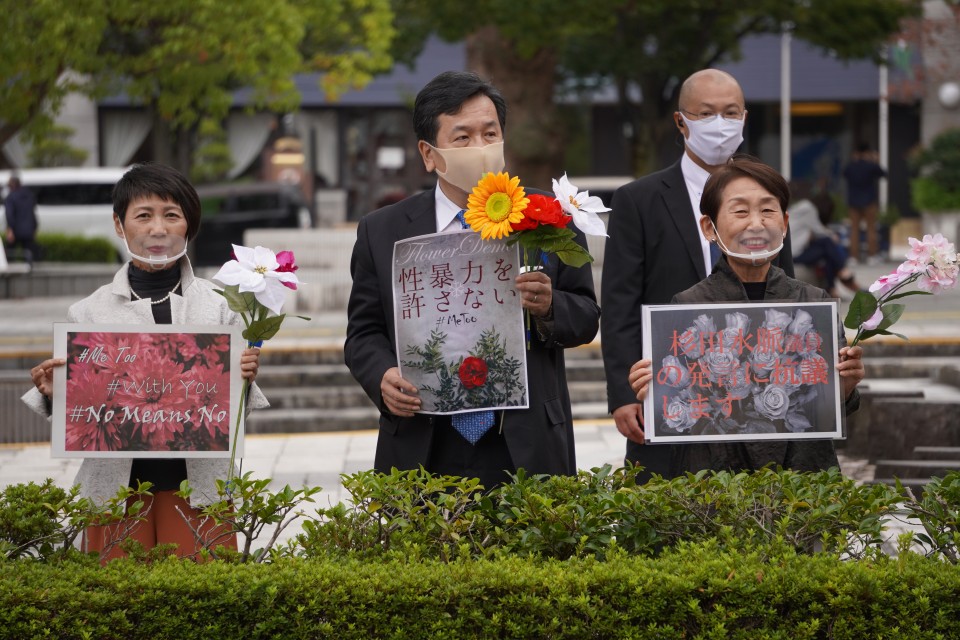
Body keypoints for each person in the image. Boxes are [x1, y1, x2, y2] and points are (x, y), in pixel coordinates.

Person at [345, 71, 600, 489]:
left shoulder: (547, 215)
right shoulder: (383, 230)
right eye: (462, 138)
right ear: (429, 153)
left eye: (490, 134)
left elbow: (587, 317)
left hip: (525, 439)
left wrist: (550, 306)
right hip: (423, 438)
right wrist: (382, 375)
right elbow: (363, 333)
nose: (479, 148)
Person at [21, 163, 268, 561]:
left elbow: (231, 410)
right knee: (120, 608)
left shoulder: (222, 307)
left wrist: (243, 377)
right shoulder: (86, 313)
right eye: (143, 216)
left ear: (189, 225)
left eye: (172, 215)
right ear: (120, 226)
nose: (158, 229)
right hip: (116, 491)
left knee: (204, 606)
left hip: (199, 487)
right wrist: (55, 393)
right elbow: (82, 409)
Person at [600, 69, 795, 481]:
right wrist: (622, 393)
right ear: (681, 121)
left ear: (744, 119)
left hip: (758, 395)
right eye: (706, 113)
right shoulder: (638, 201)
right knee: (667, 515)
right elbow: (619, 306)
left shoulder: (768, 197)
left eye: (730, 113)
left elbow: (788, 296)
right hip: (666, 391)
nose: (720, 124)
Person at [628, 157, 864, 475]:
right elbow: (679, 410)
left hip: (803, 483)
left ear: (784, 222)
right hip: (712, 484)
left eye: (768, 210)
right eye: (740, 211)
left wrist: (845, 386)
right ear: (709, 227)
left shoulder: (813, 303)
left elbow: (828, 407)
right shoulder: (686, 307)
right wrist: (654, 391)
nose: (756, 224)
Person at [788, 182, 864, 298]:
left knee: (827, 253)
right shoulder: (808, 208)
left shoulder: (802, 207)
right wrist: (833, 235)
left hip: (794, 251)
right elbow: (819, 230)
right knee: (827, 242)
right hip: (794, 255)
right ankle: (843, 272)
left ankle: (832, 288)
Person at [843, 142, 887, 265]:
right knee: (871, 229)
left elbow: (844, 174)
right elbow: (883, 174)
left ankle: (853, 257)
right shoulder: (871, 166)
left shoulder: (851, 166)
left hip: (853, 202)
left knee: (854, 230)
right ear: (867, 152)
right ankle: (872, 256)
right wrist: (875, 160)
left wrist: (855, 160)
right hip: (869, 201)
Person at [4, 176, 40, 268]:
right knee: (29, 254)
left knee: (9, 254)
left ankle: (10, 272)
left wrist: (10, 229)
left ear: (11, 185)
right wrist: (35, 227)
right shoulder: (29, 195)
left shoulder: (11, 197)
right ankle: (30, 271)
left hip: (16, 230)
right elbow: (33, 213)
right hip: (29, 230)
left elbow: (10, 214)